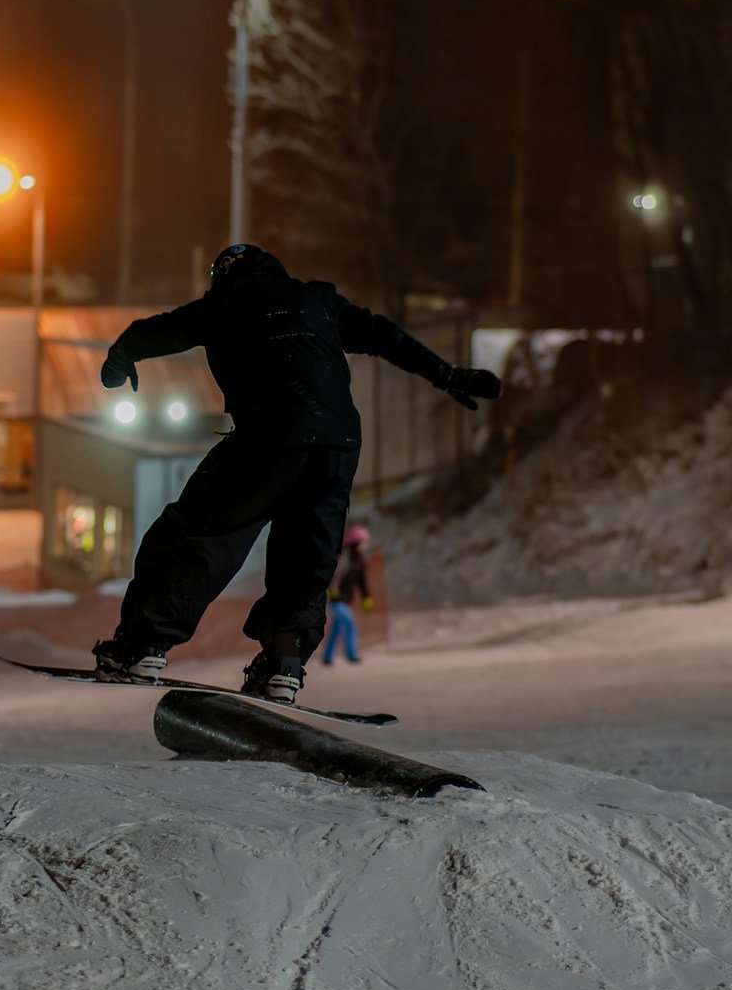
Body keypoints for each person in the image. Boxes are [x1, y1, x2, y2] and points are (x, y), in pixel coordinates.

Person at [92, 244, 501, 703]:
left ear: (223, 275)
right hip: (338, 444)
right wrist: (448, 375)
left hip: (269, 437)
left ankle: (141, 646)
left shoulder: (226, 301)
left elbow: (159, 331)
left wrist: (121, 355)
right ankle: (282, 664)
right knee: (306, 558)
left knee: (197, 537)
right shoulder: (319, 301)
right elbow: (385, 336)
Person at [323, 524, 372, 667]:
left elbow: (361, 582)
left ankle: (327, 657)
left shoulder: (360, 561)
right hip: (337, 600)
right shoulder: (345, 558)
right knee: (351, 625)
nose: (365, 545)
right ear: (356, 542)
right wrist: (331, 589)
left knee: (336, 629)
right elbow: (335, 575)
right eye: (363, 542)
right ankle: (352, 655)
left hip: (346, 600)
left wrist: (366, 597)